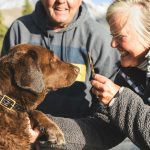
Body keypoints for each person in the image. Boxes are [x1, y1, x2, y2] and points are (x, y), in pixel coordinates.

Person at [1, 0, 124, 149]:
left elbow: (110, 125)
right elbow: (6, 98)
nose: (60, 1)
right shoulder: (20, 29)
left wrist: (62, 136)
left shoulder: (100, 39)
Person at [91, 0, 150, 149]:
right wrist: (47, 128)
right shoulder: (128, 73)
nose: (112, 44)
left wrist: (117, 99)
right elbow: (102, 129)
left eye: (120, 36)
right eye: (112, 35)